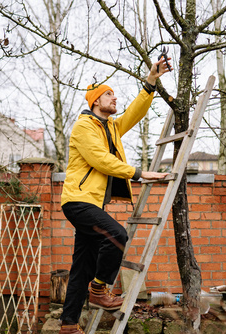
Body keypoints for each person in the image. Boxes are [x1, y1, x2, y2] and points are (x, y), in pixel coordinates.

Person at [59, 55, 172, 334]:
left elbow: (134, 113)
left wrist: (151, 82)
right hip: (77, 201)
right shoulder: (84, 126)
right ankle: (98, 290)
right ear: (96, 100)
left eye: (115, 95)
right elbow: (100, 160)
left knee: (81, 267)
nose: (115, 98)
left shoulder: (110, 127)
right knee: (117, 235)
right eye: (109, 94)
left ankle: (68, 326)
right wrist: (139, 173)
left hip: (90, 202)